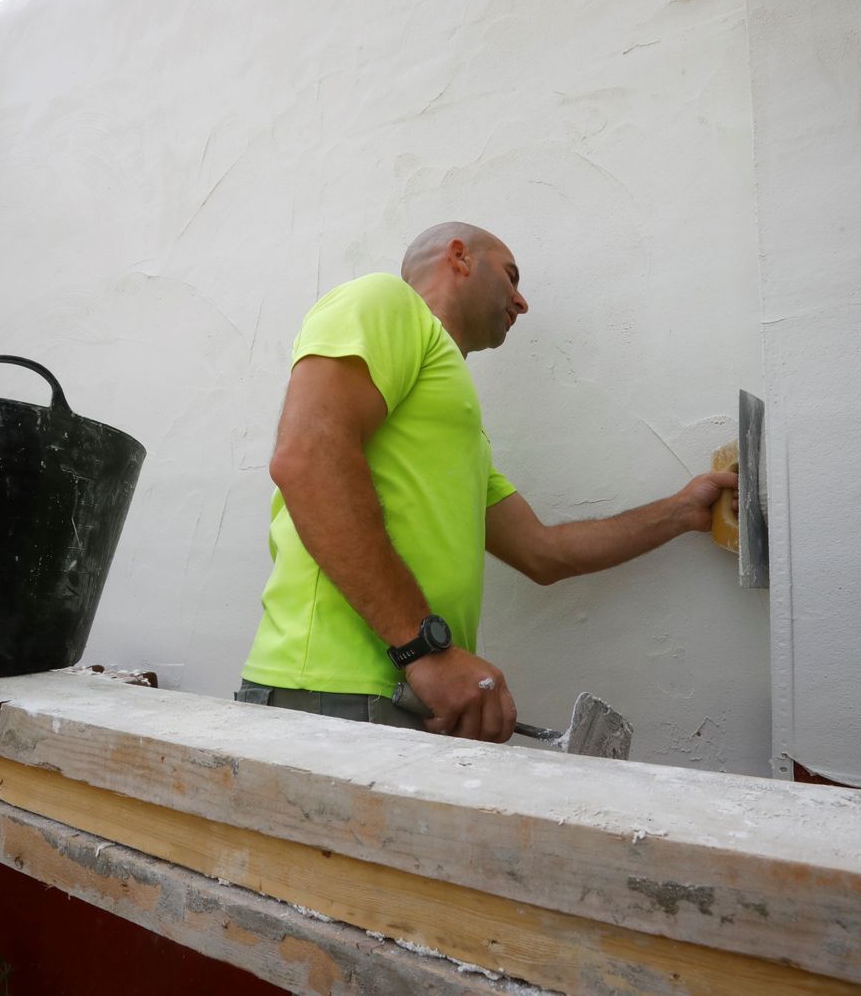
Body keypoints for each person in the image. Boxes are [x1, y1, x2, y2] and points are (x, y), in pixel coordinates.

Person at [237, 223, 735, 743]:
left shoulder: (459, 430)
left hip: (410, 703)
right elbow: (307, 458)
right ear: (460, 258)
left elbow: (544, 553)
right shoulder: (384, 300)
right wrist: (424, 651)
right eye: (512, 276)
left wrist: (683, 511)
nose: (521, 303)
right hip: (335, 694)